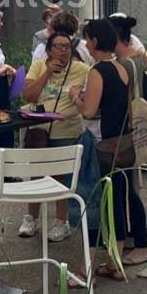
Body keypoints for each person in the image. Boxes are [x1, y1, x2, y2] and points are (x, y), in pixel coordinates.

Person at [75, 18, 147, 278]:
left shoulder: (97, 71)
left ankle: (91, 268)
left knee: (99, 204)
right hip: (126, 143)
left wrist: (76, 97)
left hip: (104, 145)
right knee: (118, 201)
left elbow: (88, 111)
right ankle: (115, 263)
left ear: (95, 41)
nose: (85, 43)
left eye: (87, 38)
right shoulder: (122, 67)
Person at [19, 28, 91, 242]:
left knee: (62, 177)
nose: (63, 51)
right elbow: (29, 94)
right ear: (48, 50)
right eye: (58, 46)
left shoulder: (82, 69)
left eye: (67, 47)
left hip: (66, 129)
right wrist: (47, 72)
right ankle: (31, 217)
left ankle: (61, 222)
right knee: (36, 174)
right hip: (39, 129)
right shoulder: (39, 65)